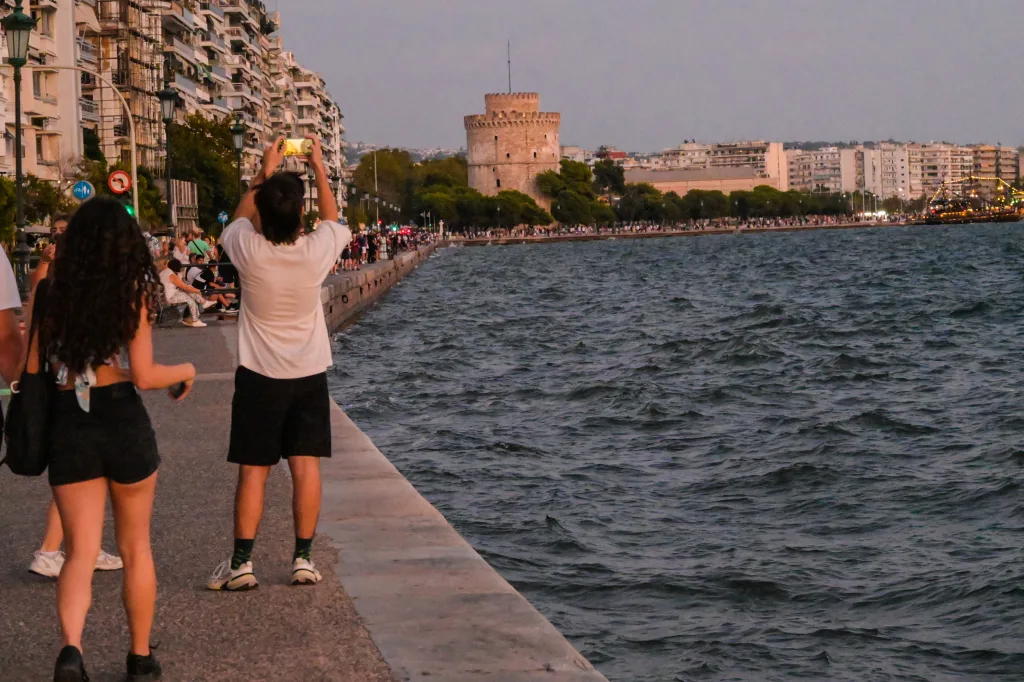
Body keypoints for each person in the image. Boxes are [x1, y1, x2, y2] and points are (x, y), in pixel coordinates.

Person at [27, 197, 197, 682]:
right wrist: (186, 370)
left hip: (69, 420)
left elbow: (32, 367)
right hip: (122, 417)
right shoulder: (133, 293)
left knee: (79, 551)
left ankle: (71, 653)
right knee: (136, 546)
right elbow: (144, 375)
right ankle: (139, 657)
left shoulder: (48, 291)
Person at [208, 135, 350, 591]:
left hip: (259, 378)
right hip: (308, 376)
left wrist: (261, 174)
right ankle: (303, 559)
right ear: (300, 215)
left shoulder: (248, 251)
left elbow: (236, 220)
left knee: (254, 471)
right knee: (306, 467)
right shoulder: (315, 253)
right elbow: (334, 219)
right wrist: (320, 169)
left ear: (263, 213)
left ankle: (242, 564)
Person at [157, 257, 216, 328]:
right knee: (189, 299)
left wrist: (193, 289)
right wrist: (197, 290)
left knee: (190, 292)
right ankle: (195, 320)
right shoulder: (171, 275)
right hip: (171, 297)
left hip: (167, 296)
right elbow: (184, 287)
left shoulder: (165, 272)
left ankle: (203, 303)